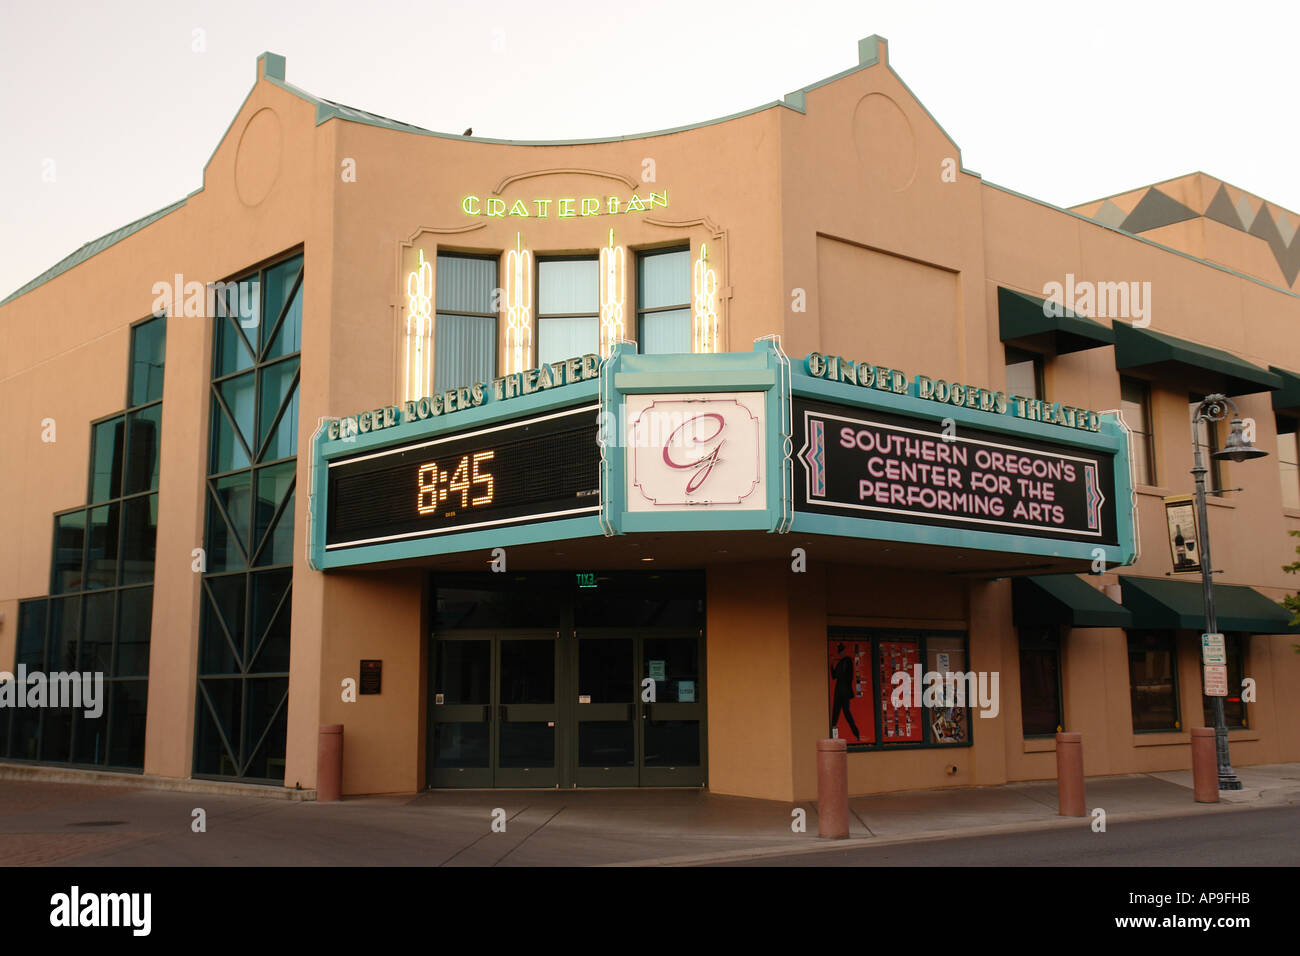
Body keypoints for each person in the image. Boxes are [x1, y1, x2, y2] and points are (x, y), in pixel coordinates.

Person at [829, 643, 861, 741]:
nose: (841, 653)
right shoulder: (841, 662)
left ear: (844, 651)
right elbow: (834, 676)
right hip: (839, 690)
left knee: (846, 713)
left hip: (844, 690)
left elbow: (847, 676)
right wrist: (831, 664)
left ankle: (856, 733)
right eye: (840, 651)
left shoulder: (847, 661)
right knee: (836, 713)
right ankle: (833, 735)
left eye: (842, 651)